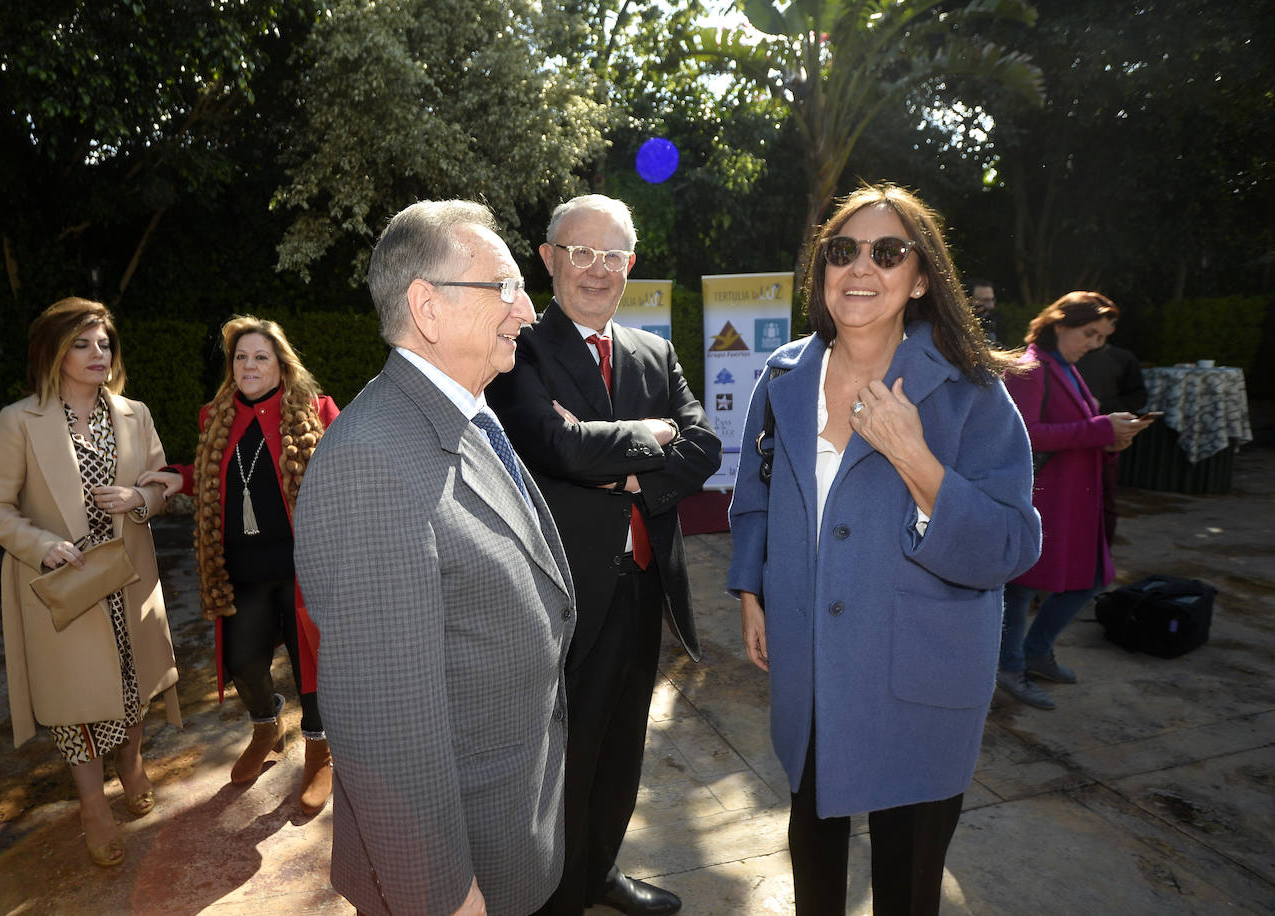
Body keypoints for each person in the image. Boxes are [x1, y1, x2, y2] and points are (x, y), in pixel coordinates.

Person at [726, 184, 1042, 915]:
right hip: (808, 669)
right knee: (815, 868)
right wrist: (751, 589)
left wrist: (917, 461)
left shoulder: (971, 393)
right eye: (843, 251)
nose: (860, 268)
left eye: (888, 252)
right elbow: (753, 500)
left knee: (907, 887)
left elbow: (1011, 542)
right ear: (822, 269)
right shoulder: (782, 378)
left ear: (922, 276)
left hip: (920, 680)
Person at [293, 199, 575, 916]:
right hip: (459, 876)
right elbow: (385, 725)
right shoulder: (370, 461)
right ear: (428, 308)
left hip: (506, 834)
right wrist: (442, 898)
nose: (527, 311)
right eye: (505, 287)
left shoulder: (462, 413)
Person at [486, 193, 721, 916]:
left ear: (631, 265)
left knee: (623, 745)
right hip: (564, 590)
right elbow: (549, 444)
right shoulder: (516, 346)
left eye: (611, 254)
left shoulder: (654, 351)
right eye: (580, 252)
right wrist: (650, 439)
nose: (596, 269)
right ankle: (554, 895)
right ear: (549, 258)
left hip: (646, 582)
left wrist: (613, 458)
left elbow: (706, 448)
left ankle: (599, 874)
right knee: (565, 754)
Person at [0, 297, 182, 868]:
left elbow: (165, 480)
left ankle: (132, 764)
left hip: (127, 579)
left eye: (105, 342)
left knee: (133, 683)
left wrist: (142, 497)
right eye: (84, 343)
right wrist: (42, 548)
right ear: (55, 351)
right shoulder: (19, 420)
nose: (99, 353)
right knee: (73, 705)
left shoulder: (134, 413)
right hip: (62, 588)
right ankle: (93, 805)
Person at [136, 316, 340, 814]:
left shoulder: (315, 410)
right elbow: (208, 471)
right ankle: (268, 727)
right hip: (240, 567)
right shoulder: (216, 416)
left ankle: (319, 751)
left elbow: (351, 464)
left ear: (281, 364)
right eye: (241, 357)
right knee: (244, 661)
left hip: (301, 569)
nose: (249, 365)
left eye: (260, 357)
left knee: (309, 662)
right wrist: (171, 479)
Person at [998, 292, 1154, 710]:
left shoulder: (1065, 368)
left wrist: (1112, 438)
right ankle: (1011, 667)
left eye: (1101, 337)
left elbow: (1084, 429)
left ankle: (1034, 652)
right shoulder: (1030, 368)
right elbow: (1025, 435)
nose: (1094, 344)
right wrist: (1100, 430)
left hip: (1077, 498)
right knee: (1022, 586)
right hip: (1047, 498)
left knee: (1093, 577)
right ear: (1060, 323)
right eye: (1090, 333)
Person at [1075, 318, 1148, 545]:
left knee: (1105, 500)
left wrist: (1102, 406)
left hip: (1106, 440)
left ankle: (1103, 554)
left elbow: (1138, 397)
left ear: (1111, 328)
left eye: (1101, 324)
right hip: (1071, 439)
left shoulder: (1123, 358)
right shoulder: (1069, 356)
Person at [967, 277, 1000, 346]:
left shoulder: (991, 325)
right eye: (985, 300)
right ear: (968, 300)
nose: (991, 306)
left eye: (992, 300)